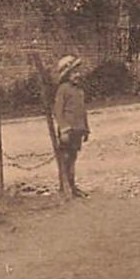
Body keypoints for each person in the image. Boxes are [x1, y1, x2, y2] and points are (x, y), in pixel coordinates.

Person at [52, 54, 90, 197]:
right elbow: (58, 111)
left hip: (78, 130)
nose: (77, 75)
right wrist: (63, 128)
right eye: (73, 73)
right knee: (65, 157)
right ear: (66, 75)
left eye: (78, 72)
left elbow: (82, 111)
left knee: (73, 157)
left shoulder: (79, 91)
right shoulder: (63, 89)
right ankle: (65, 186)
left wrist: (86, 129)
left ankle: (72, 185)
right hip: (67, 130)